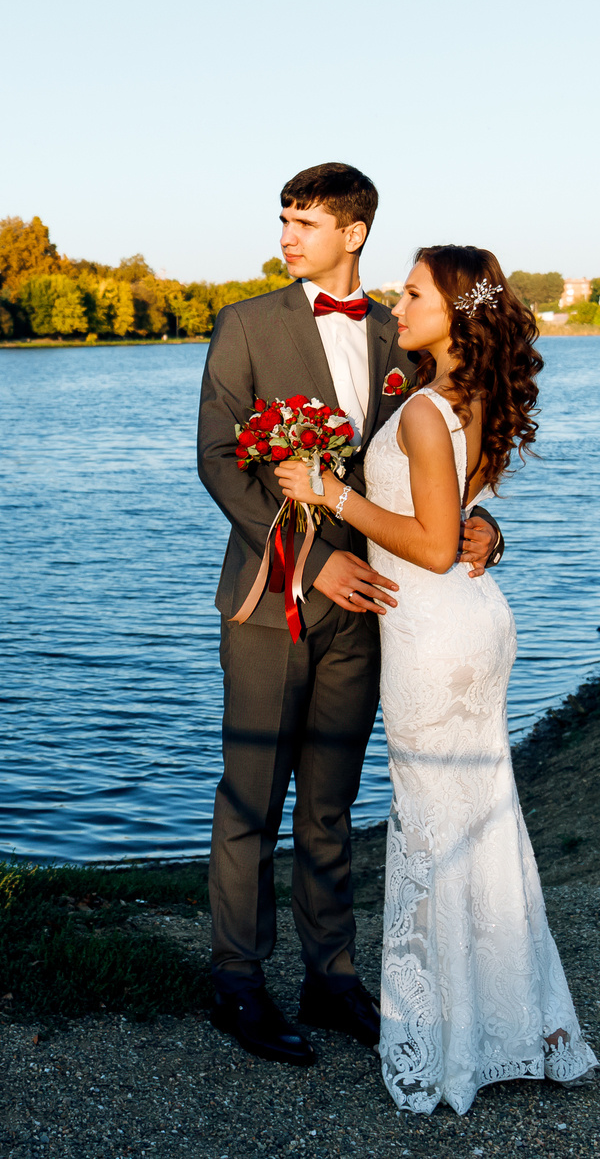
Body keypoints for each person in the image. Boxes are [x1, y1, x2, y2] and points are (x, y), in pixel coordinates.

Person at [275, 244, 597, 1114]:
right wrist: (475, 522)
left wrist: (330, 495)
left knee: (433, 826)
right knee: (482, 819)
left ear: (455, 312)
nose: (399, 298)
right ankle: (513, 1023)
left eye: (415, 290)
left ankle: (448, 1042)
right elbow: (461, 514)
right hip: (471, 620)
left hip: (432, 632)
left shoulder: (423, 409)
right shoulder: (472, 394)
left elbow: (426, 537)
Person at [192, 165, 501, 1067]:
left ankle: (330, 977)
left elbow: (442, 463)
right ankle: (236, 982)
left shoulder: (399, 329)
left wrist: (486, 529)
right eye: (283, 219)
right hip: (271, 599)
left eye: (307, 221)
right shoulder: (246, 325)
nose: (288, 235)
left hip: (378, 609)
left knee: (330, 805)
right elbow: (219, 461)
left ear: (354, 232)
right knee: (251, 798)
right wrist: (312, 559)